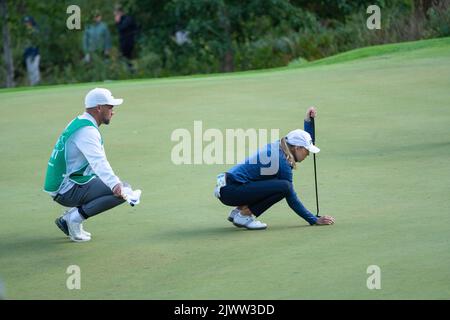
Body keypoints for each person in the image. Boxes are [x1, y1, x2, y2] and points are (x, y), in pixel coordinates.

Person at [43, 88, 140, 242]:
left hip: (68, 182)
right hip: (66, 188)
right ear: (99, 108)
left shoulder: (80, 121)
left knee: (122, 187)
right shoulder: (87, 131)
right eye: (110, 107)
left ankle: (69, 218)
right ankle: (73, 219)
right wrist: (115, 185)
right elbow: (99, 162)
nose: (113, 112)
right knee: (123, 191)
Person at [215, 107, 335, 230]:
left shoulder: (281, 146)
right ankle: (245, 215)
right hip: (232, 191)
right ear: (297, 148)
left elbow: (306, 141)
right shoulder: (281, 161)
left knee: (271, 182)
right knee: (284, 187)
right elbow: (290, 195)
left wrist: (308, 121)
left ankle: (239, 210)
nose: (308, 154)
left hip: (227, 187)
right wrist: (313, 219)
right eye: (307, 151)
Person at [23, 16, 40, 85]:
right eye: (26, 22)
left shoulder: (35, 31)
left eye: (28, 22)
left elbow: (36, 44)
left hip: (35, 55)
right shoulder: (24, 32)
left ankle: (37, 84)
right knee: (30, 71)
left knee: (35, 70)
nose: (26, 24)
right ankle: (33, 85)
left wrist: (33, 53)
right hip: (28, 55)